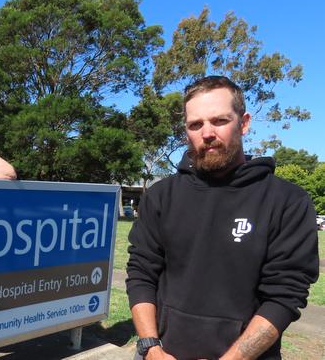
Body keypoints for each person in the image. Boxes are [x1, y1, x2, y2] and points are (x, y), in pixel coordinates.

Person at [125, 76, 319, 360]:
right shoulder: (161, 196)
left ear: (244, 122)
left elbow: (284, 296)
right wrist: (150, 347)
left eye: (219, 121)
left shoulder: (288, 202)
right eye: (195, 124)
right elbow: (142, 272)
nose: (207, 133)